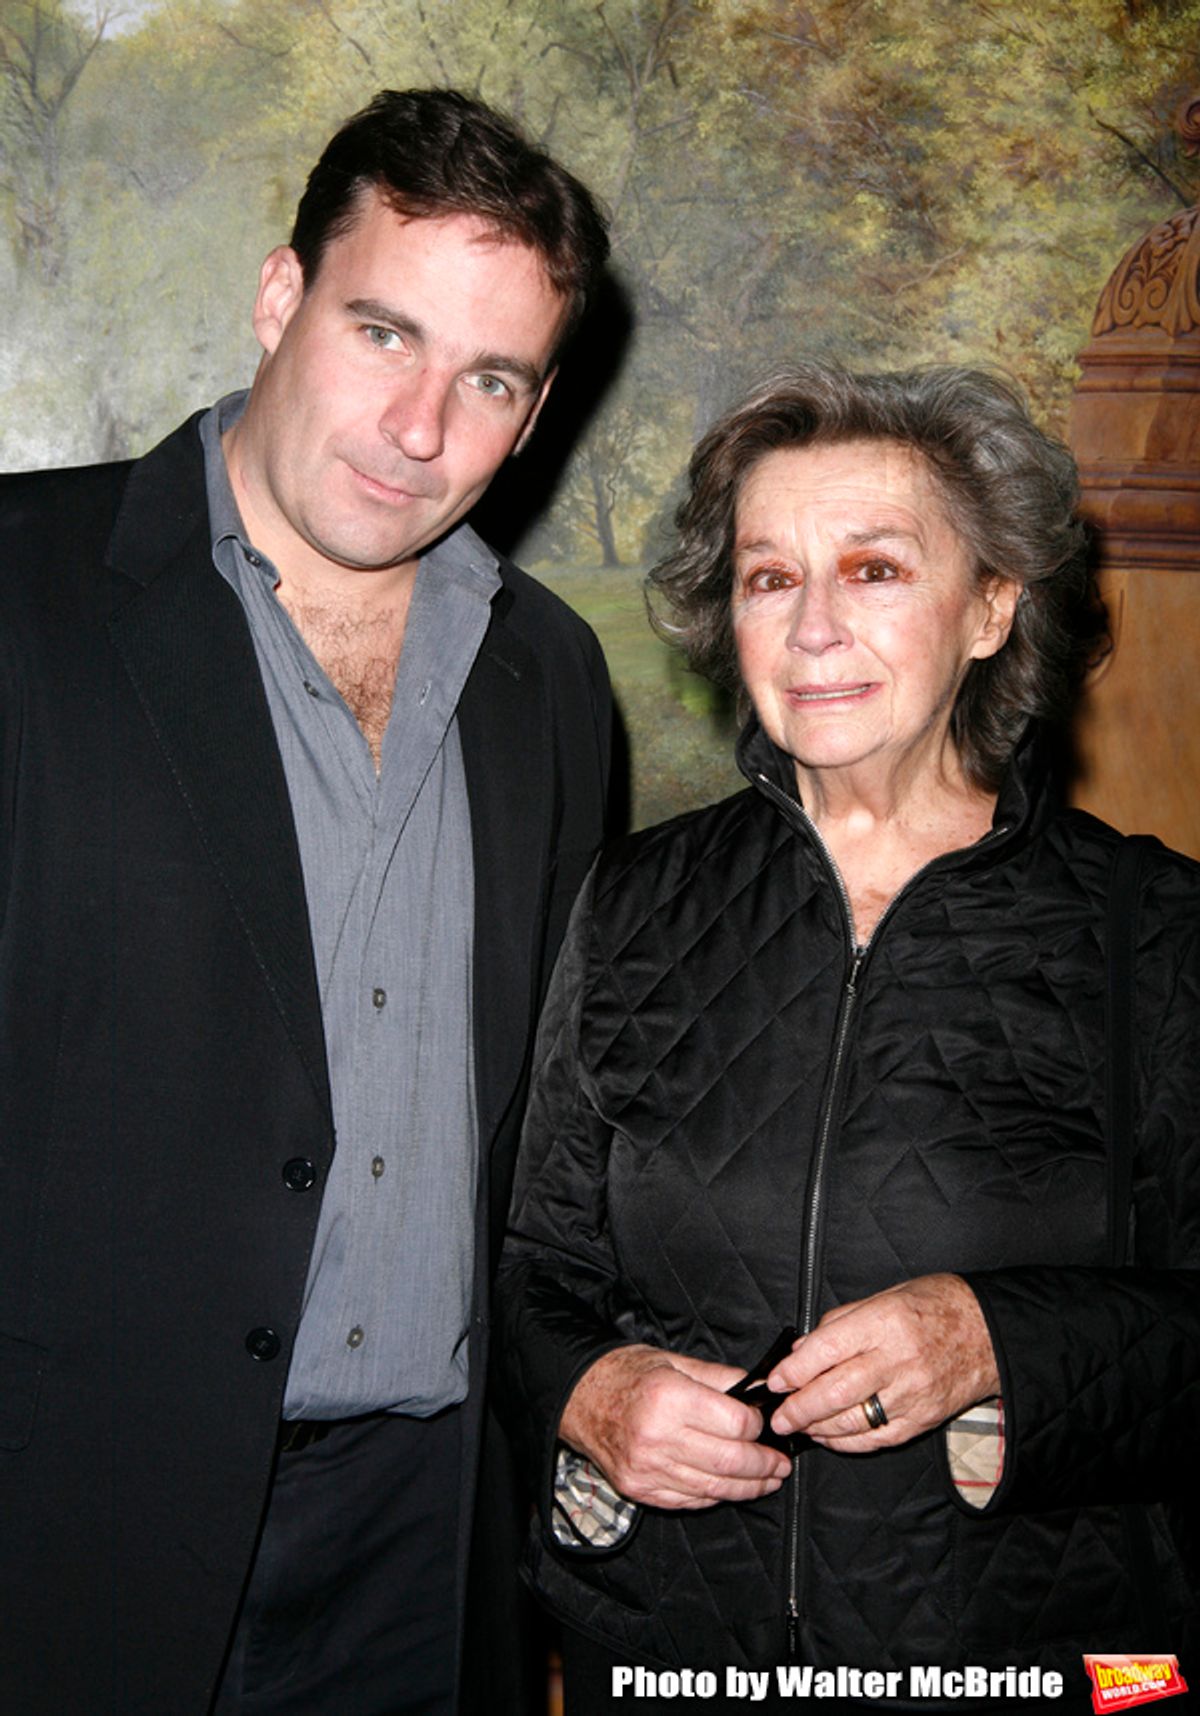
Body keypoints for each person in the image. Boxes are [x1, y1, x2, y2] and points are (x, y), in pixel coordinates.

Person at [0, 88, 612, 1716]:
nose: (421, 425)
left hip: (427, 1542)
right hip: (67, 1525)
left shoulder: (550, 672)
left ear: (533, 412)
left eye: (488, 378)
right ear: (280, 300)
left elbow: (543, 1133)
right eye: (383, 331)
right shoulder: (18, 591)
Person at [496, 363, 1199, 1714]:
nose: (812, 625)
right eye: (769, 577)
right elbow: (538, 1265)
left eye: (874, 569)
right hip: (670, 1651)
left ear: (993, 606)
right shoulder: (634, 900)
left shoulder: (1155, 930)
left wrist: (1003, 1341)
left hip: (1040, 1663)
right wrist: (588, 1391)